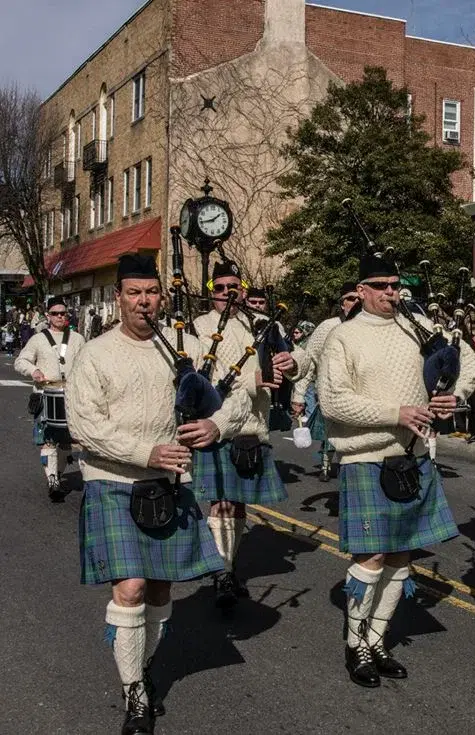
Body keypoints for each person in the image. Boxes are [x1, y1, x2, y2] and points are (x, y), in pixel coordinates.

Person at [65, 254, 247, 733]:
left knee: (162, 587)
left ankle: (140, 666)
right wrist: (148, 452)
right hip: (114, 481)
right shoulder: (96, 353)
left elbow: (238, 395)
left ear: (160, 296)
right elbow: (85, 427)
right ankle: (135, 695)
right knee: (131, 587)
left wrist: (214, 423)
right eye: (134, 293)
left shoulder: (182, 349)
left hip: (170, 484)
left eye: (151, 293)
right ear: (118, 298)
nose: (144, 302)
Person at [317, 252, 471, 689]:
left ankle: (378, 638)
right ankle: (355, 641)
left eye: (394, 285)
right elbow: (334, 402)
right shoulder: (343, 338)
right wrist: (394, 413)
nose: (390, 292)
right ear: (361, 291)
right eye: (380, 285)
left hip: (415, 456)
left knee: (402, 554)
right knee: (372, 557)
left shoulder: (415, 330)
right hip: (367, 457)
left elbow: (459, 365)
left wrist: (448, 396)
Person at [191, 261, 304, 609]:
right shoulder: (198, 326)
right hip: (214, 422)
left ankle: (227, 565)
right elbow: (201, 378)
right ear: (212, 293)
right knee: (221, 501)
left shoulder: (263, 324)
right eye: (221, 288)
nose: (229, 293)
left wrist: (293, 363)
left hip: (253, 427)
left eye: (234, 287)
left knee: (236, 503)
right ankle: (223, 571)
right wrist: (253, 381)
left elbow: (297, 356)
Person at [15, 297, 86, 500]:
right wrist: (34, 370)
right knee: (48, 440)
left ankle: (59, 473)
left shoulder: (78, 339)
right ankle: (53, 479)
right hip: (45, 395)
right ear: (48, 316)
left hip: (71, 396)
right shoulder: (37, 339)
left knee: (66, 443)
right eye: (55, 313)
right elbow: (21, 361)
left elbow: (87, 364)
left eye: (63, 313)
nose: (60, 316)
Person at [292, 282, 361, 481]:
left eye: (358, 298)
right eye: (350, 299)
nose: (355, 302)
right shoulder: (327, 327)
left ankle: (353, 470)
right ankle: (325, 466)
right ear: (342, 303)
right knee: (332, 435)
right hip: (330, 394)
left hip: (361, 395)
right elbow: (309, 362)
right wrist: (298, 396)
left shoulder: (371, 327)